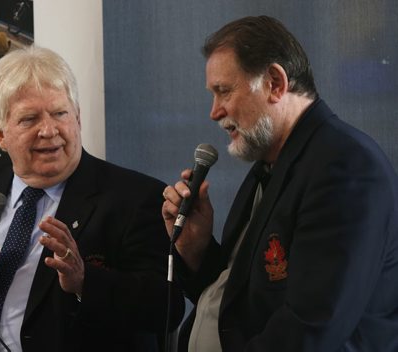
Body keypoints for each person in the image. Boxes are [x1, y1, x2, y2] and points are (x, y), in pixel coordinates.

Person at [0, 45, 184, 351]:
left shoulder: (134, 198)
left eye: (60, 113)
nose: (49, 130)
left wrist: (84, 281)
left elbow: (165, 308)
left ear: (77, 118)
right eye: (29, 119)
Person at [162, 15, 398, 352]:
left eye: (224, 91)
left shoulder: (345, 167)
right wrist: (197, 250)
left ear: (275, 82)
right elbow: (242, 297)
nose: (214, 112)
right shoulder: (271, 162)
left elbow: (311, 329)